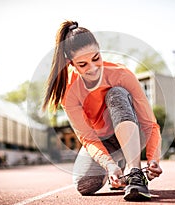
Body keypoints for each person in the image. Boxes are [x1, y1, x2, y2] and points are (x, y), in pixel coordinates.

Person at [43, 20, 162, 201]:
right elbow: (88, 138)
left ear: (99, 50)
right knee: (84, 185)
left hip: (134, 132)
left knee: (115, 94)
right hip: (104, 140)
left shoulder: (122, 75)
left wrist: (153, 159)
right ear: (71, 64)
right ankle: (119, 168)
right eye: (83, 64)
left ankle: (135, 174)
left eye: (96, 58)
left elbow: (150, 124)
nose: (92, 68)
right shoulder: (69, 91)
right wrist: (109, 164)